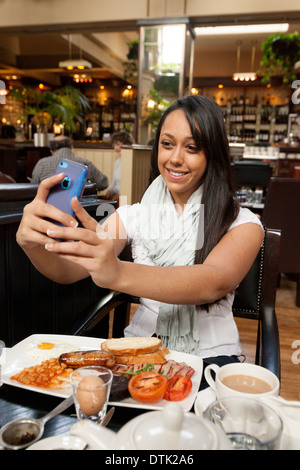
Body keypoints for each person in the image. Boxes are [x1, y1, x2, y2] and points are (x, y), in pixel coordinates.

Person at [16, 95, 263, 376]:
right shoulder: (132, 215)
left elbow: (213, 282)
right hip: (136, 354)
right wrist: (33, 244)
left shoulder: (243, 223)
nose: (175, 158)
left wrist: (117, 272)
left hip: (211, 359)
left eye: (192, 147)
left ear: (213, 155)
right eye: (167, 144)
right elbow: (68, 271)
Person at [30, 135, 109, 191]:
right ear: (71, 147)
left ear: (51, 151)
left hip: (48, 209)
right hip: (79, 209)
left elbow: (33, 188)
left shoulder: (42, 164)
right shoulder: (84, 163)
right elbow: (103, 183)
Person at [104, 131, 134, 204]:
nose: (115, 148)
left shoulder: (131, 161)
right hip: (116, 196)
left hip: (125, 197)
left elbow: (129, 185)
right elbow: (114, 181)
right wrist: (109, 191)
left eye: (118, 144)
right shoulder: (118, 162)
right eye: (114, 145)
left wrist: (120, 195)